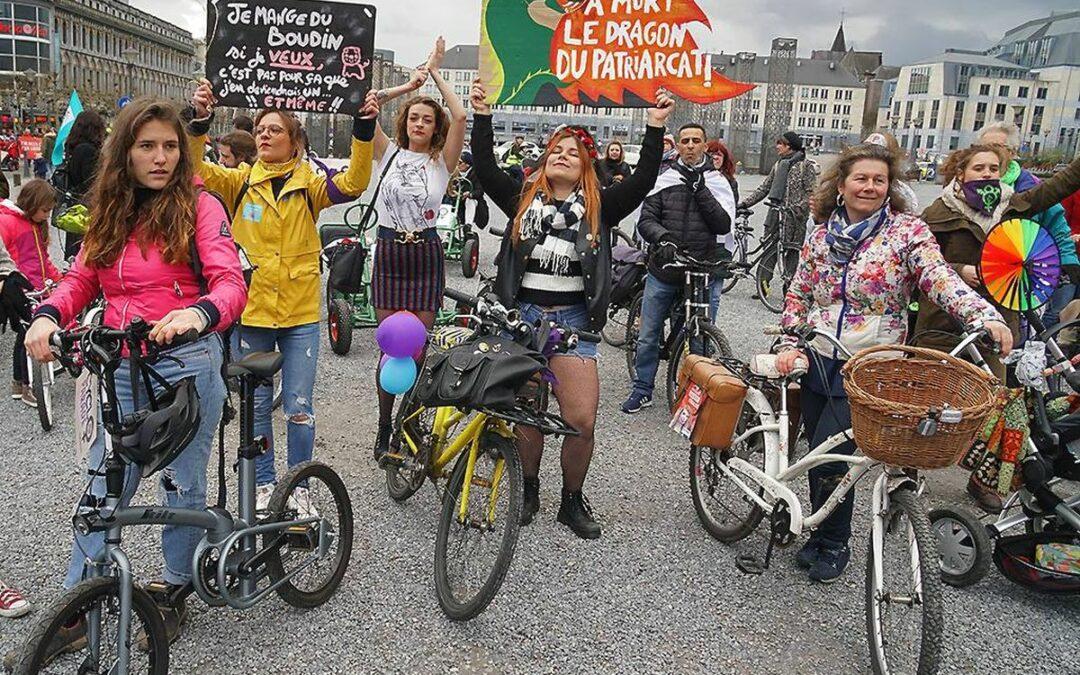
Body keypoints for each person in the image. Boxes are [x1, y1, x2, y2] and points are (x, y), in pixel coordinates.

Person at [21, 98, 247, 651]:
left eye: (171, 146)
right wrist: (49, 316)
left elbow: (230, 282)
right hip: (119, 364)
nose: (162, 156)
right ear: (125, 150)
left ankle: (172, 593)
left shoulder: (201, 206)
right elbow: (81, 278)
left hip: (185, 365)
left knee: (180, 484)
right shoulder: (111, 209)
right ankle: (80, 605)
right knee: (101, 486)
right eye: (147, 145)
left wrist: (198, 313)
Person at [776, 143, 1013, 582]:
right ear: (841, 185)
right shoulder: (821, 234)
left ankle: (833, 542)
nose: (869, 186)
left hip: (873, 364)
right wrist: (791, 340)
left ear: (889, 188)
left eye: (878, 180)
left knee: (840, 455)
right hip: (820, 353)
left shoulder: (907, 232)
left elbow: (938, 277)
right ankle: (819, 531)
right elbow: (799, 292)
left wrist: (983, 316)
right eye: (860, 178)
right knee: (820, 453)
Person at [470, 79, 672, 539]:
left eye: (572, 151)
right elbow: (483, 167)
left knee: (580, 421)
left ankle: (571, 500)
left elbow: (641, 180)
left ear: (585, 165)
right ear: (544, 160)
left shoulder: (602, 207)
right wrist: (483, 114)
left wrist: (655, 126)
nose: (561, 154)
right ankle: (529, 487)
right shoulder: (522, 201)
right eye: (554, 149)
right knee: (526, 413)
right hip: (521, 318)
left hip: (574, 325)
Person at [187, 81, 378, 510]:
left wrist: (363, 128)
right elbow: (194, 166)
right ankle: (266, 485)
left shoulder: (310, 184)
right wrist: (199, 119)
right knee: (255, 407)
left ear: (294, 141)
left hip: (299, 315)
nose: (265, 135)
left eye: (275, 129)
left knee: (298, 406)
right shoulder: (238, 183)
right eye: (260, 129)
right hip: (252, 312)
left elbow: (354, 183)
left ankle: (300, 488)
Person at [916, 147, 1080, 512]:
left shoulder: (1011, 207)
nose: (988, 174)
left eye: (994, 168)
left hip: (999, 321)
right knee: (931, 397)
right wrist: (959, 269)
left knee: (1000, 402)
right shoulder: (936, 214)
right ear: (961, 173)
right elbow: (919, 263)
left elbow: (1058, 187)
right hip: (943, 321)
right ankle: (910, 465)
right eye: (979, 168)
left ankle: (985, 479)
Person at [369, 37, 467, 459]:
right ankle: (384, 424)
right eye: (414, 117)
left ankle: (408, 426)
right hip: (390, 252)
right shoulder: (387, 153)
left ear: (435, 126)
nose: (420, 123)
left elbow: (461, 114)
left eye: (427, 119)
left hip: (425, 254)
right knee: (393, 346)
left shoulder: (441, 162)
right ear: (405, 121)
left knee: (419, 349)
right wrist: (407, 88)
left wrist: (435, 72)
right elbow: (363, 101)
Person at [621, 123, 735, 414]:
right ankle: (643, 388)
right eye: (684, 141)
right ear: (679, 146)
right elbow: (646, 220)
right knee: (648, 333)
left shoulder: (716, 181)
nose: (690, 146)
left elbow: (723, 224)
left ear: (705, 145)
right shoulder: (665, 179)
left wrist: (700, 191)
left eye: (696, 140)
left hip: (701, 270)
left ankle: (693, 392)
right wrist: (663, 238)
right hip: (666, 267)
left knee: (699, 336)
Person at [975, 123, 1079, 331]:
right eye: (982, 147)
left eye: (997, 146)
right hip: (981, 279)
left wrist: (1066, 268)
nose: (989, 153)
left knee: (1037, 329)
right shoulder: (963, 188)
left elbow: (1057, 226)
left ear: (1012, 152)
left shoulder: (1029, 187)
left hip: (1028, 275)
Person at [0, 178, 61, 407]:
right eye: (45, 210)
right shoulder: (8, 222)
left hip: (38, 286)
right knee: (26, 335)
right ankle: (27, 385)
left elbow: (43, 258)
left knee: (23, 336)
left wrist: (58, 278)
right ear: (32, 203)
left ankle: (19, 382)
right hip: (20, 288)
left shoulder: (36, 226)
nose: (47, 215)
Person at [739, 131, 817, 298]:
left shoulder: (805, 166)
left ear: (789, 146)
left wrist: (799, 207)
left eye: (780, 143)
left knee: (792, 252)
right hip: (775, 213)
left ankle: (789, 289)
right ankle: (763, 286)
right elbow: (764, 188)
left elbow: (811, 192)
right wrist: (745, 203)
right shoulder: (778, 165)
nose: (777, 147)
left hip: (795, 218)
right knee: (769, 249)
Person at [60, 110, 107, 259]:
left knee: (76, 252)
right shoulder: (87, 150)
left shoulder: (73, 148)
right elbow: (91, 182)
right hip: (87, 208)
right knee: (85, 252)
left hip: (76, 206)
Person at [707, 139, 739, 204]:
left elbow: (733, 204)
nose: (715, 157)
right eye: (712, 154)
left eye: (719, 154)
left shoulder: (730, 182)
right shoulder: (697, 178)